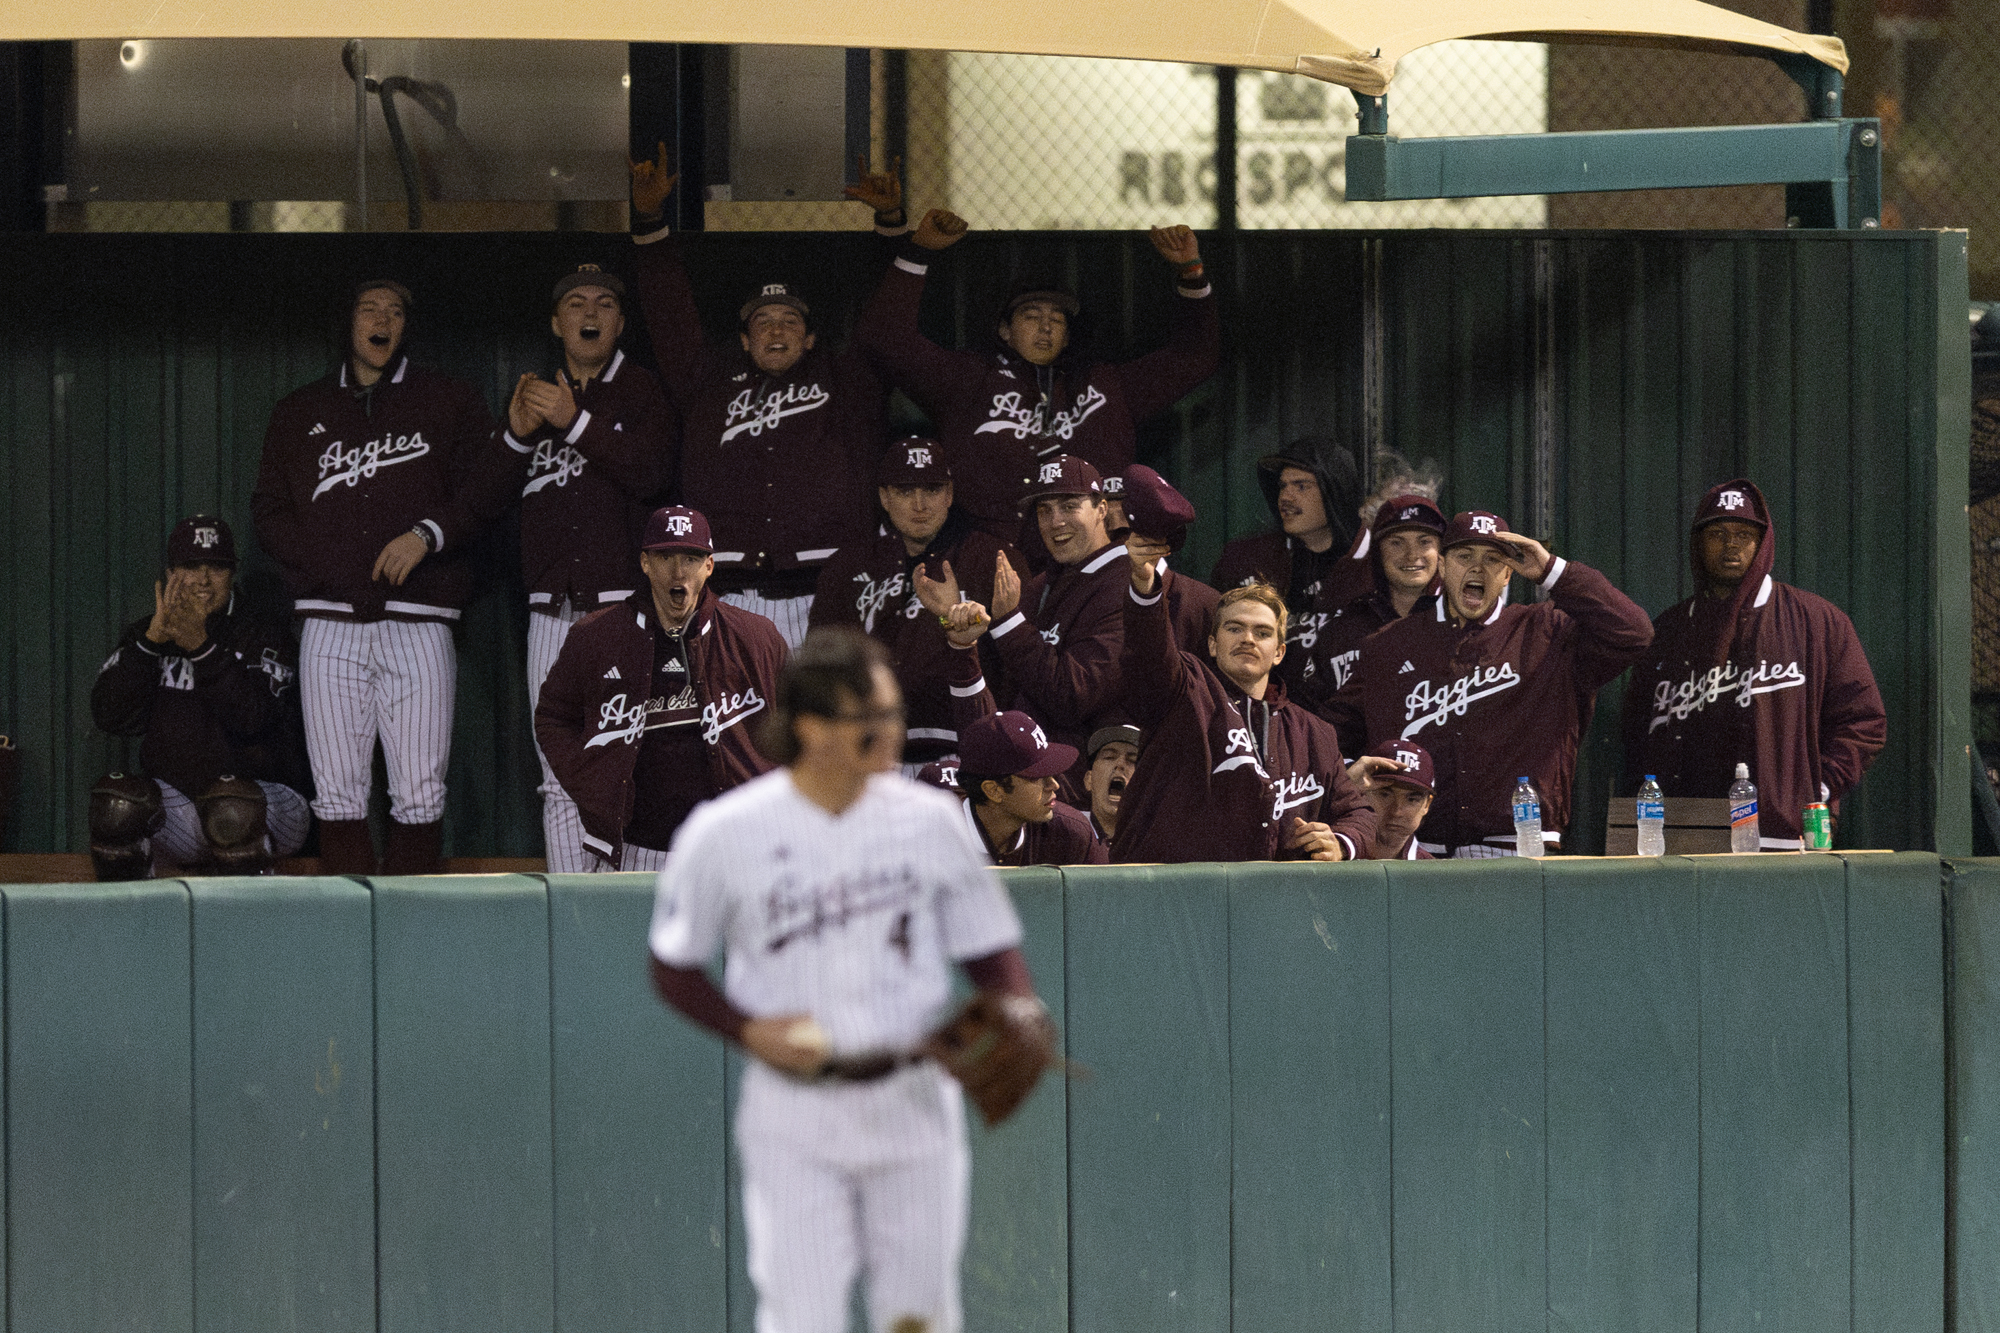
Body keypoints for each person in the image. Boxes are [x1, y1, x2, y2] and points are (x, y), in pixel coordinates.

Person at [647, 628, 1054, 1333]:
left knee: (918, 1319)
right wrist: (746, 1029)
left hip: (914, 1099)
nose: (891, 731)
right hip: (795, 1112)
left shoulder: (930, 821)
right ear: (810, 726)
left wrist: (1016, 1002)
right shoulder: (726, 831)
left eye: (894, 714)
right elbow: (674, 963)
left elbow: (989, 949)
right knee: (802, 1319)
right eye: (871, 719)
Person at [251, 278, 498, 874]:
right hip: (330, 622)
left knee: (419, 793)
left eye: (394, 311)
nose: (382, 319)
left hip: (419, 619)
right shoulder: (299, 411)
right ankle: (349, 944)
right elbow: (270, 511)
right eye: (369, 308)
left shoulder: (448, 402)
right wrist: (330, 569)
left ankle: (411, 944)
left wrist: (427, 534)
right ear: (349, 322)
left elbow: (484, 494)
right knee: (336, 792)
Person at [629, 147, 906, 646]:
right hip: (731, 597)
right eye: (762, 322)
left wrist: (890, 224)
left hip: (828, 596)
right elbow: (669, 314)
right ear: (743, 339)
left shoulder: (846, 382)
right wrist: (649, 221)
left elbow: (886, 317)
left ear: (810, 337)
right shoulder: (707, 381)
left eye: (789, 321)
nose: (775, 331)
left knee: (825, 726)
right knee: (735, 726)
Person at [857, 208, 1220, 539]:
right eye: (1031, 316)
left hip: (1089, 550)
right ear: (1005, 330)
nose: (1045, 327)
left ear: (1067, 337)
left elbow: (1195, 356)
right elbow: (886, 338)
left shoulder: (1107, 383)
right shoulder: (966, 379)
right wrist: (919, 252)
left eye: (1057, 320)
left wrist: (1191, 272)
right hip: (994, 549)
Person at [1324, 511, 1654, 857]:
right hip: (1417, 850)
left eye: (1493, 559)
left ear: (1509, 572)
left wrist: (1550, 570)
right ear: (1442, 567)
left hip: (1521, 847)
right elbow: (1335, 729)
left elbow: (1634, 632)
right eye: (1465, 556)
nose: (1478, 569)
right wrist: (1350, 776)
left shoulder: (1547, 632)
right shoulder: (1389, 644)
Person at [496, 263, 676, 872]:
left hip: (625, 609)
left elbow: (653, 474)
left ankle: (632, 915)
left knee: (638, 765)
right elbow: (490, 499)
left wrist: (575, 422)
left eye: (604, 303)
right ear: (556, 322)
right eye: (576, 303)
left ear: (621, 322)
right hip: (551, 610)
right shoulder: (530, 395)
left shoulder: (643, 391)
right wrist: (516, 437)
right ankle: (573, 920)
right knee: (558, 778)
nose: (591, 314)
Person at [1622, 479, 1886, 848]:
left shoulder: (1818, 621)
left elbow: (1864, 721)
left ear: (1762, 543)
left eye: (1744, 534)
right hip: (1686, 836)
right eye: (1718, 533)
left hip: (1784, 836)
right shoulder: (1670, 629)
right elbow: (1636, 734)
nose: (1731, 544)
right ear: (1698, 543)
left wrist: (1816, 787)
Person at [534, 506, 786, 870]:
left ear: (709, 566)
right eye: (665, 556)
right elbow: (553, 718)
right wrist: (593, 786)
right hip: (636, 851)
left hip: (735, 850)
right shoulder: (597, 637)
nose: (678, 570)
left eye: (691, 557)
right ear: (645, 563)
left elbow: (798, 725)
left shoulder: (755, 638)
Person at [1111, 548, 1377, 864]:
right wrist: (1145, 595)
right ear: (1212, 644)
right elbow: (1149, 654)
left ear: (1279, 652)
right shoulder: (1184, 692)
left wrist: (1340, 843)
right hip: (1180, 899)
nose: (1247, 639)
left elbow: (1360, 813)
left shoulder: (1314, 733)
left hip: (1272, 903)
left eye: (1262, 633)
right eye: (1234, 628)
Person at [88, 515, 311, 878]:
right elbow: (110, 715)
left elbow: (252, 719)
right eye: (192, 566)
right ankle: (135, 929)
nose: (204, 579)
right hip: (187, 810)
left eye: (217, 567)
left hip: (268, 803)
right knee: (118, 807)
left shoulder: (264, 632)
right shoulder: (147, 633)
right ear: (171, 571)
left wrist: (200, 646)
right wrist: (150, 644)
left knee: (231, 810)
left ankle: (254, 929)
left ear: (232, 573)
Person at [808, 436, 1024, 768]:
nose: (920, 505)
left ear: (950, 494)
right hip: (869, 754)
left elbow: (1017, 665)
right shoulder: (847, 567)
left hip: (963, 751)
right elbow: (820, 666)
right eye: (905, 492)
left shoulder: (991, 559)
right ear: (884, 496)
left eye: (932, 490)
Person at [950, 455, 1131, 761]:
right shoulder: (1038, 586)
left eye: (1069, 506)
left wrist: (1009, 624)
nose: (1055, 521)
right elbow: (1007, 700)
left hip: (1085, 789)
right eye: (1045, 510)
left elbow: (1074, 697)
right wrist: (961, 640)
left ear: (1102, 509)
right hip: (1029, 781)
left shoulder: (1125, 582)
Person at [1208, 436, 1369, 700]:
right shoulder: (1247, 560)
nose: (1286, 496)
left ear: (1335, 491)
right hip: (1270, 722)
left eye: (1301, 486)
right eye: (1283, 486)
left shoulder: (1377, 564)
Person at [1308, 493, 1448, 705]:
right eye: (1397, 543)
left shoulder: (1462, 625)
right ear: (1378, 552)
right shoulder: (1342, 631)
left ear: (1441, 552)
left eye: (1424, 542)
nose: (1412, 555)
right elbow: (1311, 717)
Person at [954, 710, 1107, 866]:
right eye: (1037, 777)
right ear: (993, 790)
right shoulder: (936, 840)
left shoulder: (1071, 833)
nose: (1054, 785)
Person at [1346, 738, 1439, 860]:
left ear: (1427, 804)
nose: (1397, 811)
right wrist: (1346, 786)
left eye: (1411, 799)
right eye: (1385, 795)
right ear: (1362, 794)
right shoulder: (1327, 854)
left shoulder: (1432, 875)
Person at [1079, 723, 1141, 847]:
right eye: (1109, 757)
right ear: (1089, 780)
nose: (1120, 764)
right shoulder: (1067, 833)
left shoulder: (1159, 839)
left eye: (1132, 760)